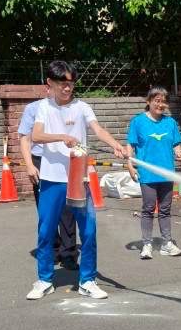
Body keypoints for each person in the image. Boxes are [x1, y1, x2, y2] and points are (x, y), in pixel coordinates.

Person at [26, 61, 127, 300]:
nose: (67, 88)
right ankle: (44, 280)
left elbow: (98, 129)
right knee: (46, 231)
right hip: (51, 180)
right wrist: (63, 137)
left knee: (89, 231)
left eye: (71, 84)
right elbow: (36, 136)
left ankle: (88, 280)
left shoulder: (82, 107)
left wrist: (115, 145)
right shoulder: (44, 108)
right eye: (63, 84)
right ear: (50, 83)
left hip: (78, 180)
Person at [127, 87, 181, 260]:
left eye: (164, 101)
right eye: (157, 100)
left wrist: (179, 152)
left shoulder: (170, 123)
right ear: (149, 102)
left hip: (167, 172)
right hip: (147, 173)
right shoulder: (138, 122)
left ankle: (166, 243)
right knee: (148, 208)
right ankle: (146, 244)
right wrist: (130, 165)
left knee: (165, 209)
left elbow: (175, 144)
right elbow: (130, 145)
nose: (161, 104)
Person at [18, 98, 79, 268]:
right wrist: (29, 165)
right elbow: (25, 138)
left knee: (68, 209)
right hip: (41, 160)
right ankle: (52, 250)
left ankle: (69, 253)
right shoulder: (34, 108)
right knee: (47, 210)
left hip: (65, 159)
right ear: (49, 85)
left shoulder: (71, 107)